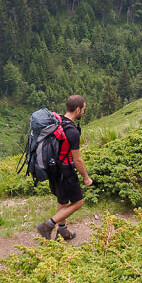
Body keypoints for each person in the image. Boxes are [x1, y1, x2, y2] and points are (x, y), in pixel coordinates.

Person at [36, 95, 93, 240]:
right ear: (78, 110)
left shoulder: (58, 121)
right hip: (65, 171)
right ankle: (48, 225)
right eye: (83, 110)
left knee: (63, 201)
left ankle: (62, 232)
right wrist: (86, 178)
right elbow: (78, 159)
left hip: (53, 169)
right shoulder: (72, 131)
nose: (84, 113)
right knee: (78, 202)